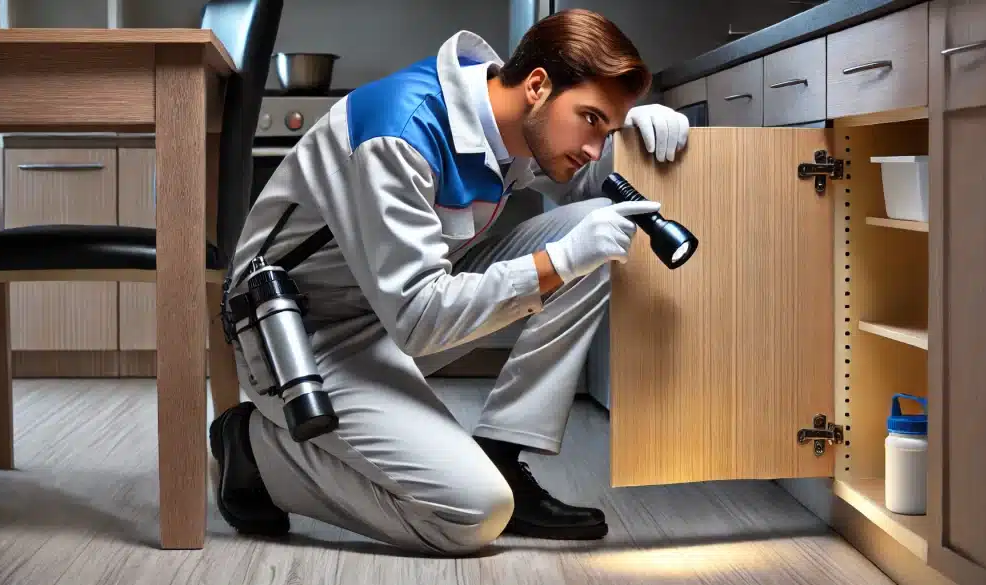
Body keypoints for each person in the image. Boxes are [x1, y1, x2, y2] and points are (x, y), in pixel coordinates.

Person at [209, 8, 689, 555]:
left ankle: (504, 452)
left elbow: (580, 191)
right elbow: (418, 321)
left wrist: (637, 144)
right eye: (591, 121)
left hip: (383, 314)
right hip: (297, 337)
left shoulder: (500, 113)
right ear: (537, 85)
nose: (594, 146)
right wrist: (557, 263)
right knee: (472, 514)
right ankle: (255, 451)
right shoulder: (401, 133)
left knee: (601, 228)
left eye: (607, 127)